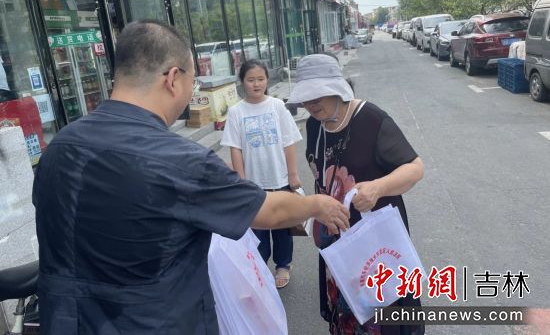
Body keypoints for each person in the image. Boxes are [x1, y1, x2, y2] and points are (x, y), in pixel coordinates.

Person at [32, 20, 350, 335]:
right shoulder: (178, 160)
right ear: (173, 78)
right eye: (192, 83)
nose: (190, 92)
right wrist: (316, 205)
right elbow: (268, 210)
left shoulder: (58, 148)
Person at [287, 53, 425, 335]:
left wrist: (378, 187)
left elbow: (415, 168)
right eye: (305, 98)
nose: (311, 104)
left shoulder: (371, 120)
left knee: (383, 311)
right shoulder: (314, 125)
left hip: (377, 241)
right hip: (338, 239)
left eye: (317, 96)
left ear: (337, 88)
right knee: (347, 311)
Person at [221, 59, 301, 289]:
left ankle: (283, 265)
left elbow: (288, 142)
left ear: (267, 80)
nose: (256, 84)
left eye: (261, 79)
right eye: (251, 80)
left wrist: (293, 175)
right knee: (258, 230)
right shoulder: (236, 112)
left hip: (280, 178)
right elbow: (235, 148)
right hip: (253, 183)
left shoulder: (277, 106)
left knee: (283, 227)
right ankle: (259, 267)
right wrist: (241, 180)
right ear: (242, 82)